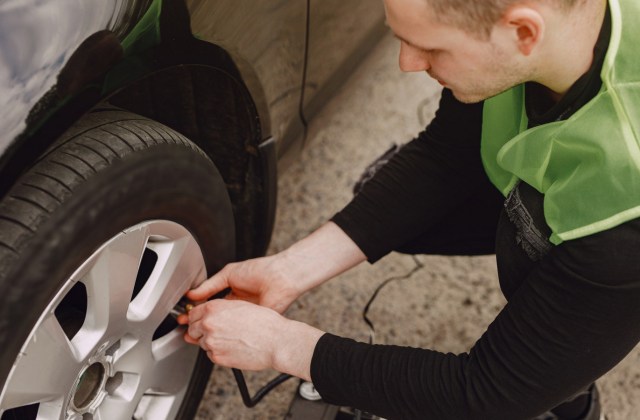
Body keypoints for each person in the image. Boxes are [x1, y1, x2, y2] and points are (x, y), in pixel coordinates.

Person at [177, 0, 640, 418]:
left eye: (430, 49)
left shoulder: (625, 204)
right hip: (574, 206)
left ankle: (569, 396)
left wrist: (283, 346)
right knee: (389, 199)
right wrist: (289, 270)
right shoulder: (529, 45)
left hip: (609, 240)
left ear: (523, 32)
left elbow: (484, 394)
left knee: (530, 256)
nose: (406, 64)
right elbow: (445, 153)